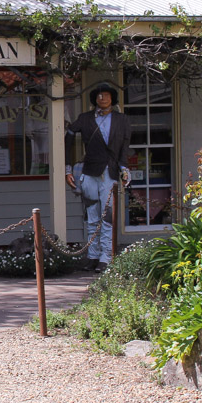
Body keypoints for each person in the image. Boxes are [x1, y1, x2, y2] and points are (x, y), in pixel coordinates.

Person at [65, 84, 132, 273]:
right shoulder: (85, 119)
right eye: (99, 95)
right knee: (92, 217)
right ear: (95, 98)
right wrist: (67, 168)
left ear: (113, 98)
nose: (102, 98)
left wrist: (124, 168)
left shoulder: (122, 120)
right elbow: (68, 137)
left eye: (106, 95)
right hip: (89, 172)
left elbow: (124, 149)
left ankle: (106, 257)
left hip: (109, 173)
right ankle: (92, 256)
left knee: (108, 217)